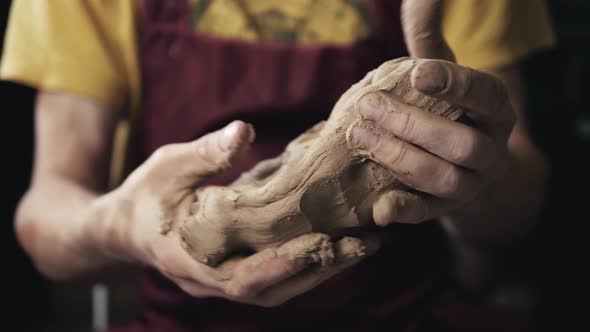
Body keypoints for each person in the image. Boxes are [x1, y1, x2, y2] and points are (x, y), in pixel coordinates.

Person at [1, 0, 555, 331]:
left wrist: (473, 173)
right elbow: (45, 215)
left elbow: (517, 218)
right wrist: (124, 226)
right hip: (182, 321)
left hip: (404, 315)